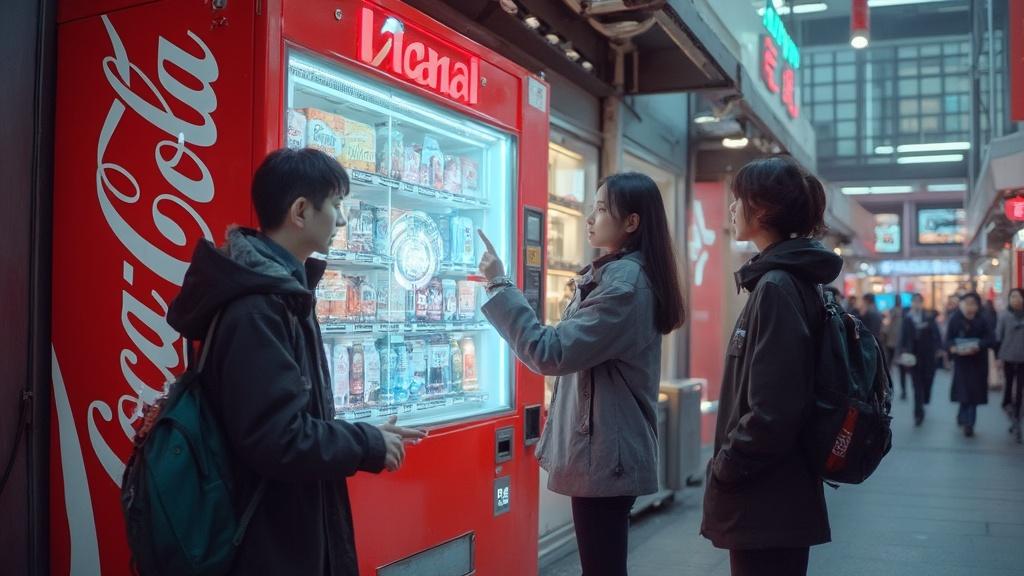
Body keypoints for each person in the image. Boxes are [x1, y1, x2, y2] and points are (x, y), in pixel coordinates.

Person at [166, 148, 426, 576]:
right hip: (265, 538)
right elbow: (277, 438)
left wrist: (362, 434)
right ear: (301, 211)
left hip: (283, 526)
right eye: (337, 205)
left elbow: (287, 418)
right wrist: (364, 444)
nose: (342, 220)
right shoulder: (257, 307)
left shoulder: (280, 292)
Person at [476, 172, 685, 576]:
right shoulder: (617, 275)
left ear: (632, 222)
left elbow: (549, 352)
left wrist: (499, 284)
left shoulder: (624, 285)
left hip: (607, 455)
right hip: (607, 451)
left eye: (602, 209)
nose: (590, 217)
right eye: (592, 207)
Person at [700, 156, 840, 576]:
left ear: (761, 210)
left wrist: (727, 465)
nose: (731, 209)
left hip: (766, 495)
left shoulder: (777, 286)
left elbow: (773, 409)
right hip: (781, 492)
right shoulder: (793, 279)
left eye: (737, 199)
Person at [946, 292, 995, 438]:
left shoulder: (983, 319)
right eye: (967, 303)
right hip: (962, 362)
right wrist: (952, 348)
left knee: (973, 393)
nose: (970, 307)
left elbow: (991, 339)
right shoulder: (955, 319)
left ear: (978, 305)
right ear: (962, 305)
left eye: (973, 304)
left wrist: (979, 345)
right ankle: (962, 414)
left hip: (978, 362)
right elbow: (948, 340)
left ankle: (970, 424)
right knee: (963, 391)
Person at [899, 293, 941, 426]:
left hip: (928, 355)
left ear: (922, 303)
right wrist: (901, 353)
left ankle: (925, 399)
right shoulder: (907, 318)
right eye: (914, 301)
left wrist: (938, 349)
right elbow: (903, 337)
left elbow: (936, 334)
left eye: (919, 301)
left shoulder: (928, 317)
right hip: (913, 356)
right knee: (916, 386)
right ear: (911, 303)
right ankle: (918, 413)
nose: (916, 304)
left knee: (928, 380)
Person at [996, 288, 1024, 442]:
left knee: (1020, 390)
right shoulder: (1004, 316)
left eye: (1018, 296)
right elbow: (998, 336)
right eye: (1012, 296)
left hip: (1022, 359)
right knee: (1008, 390)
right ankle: (1009, 409)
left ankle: (1017, 419)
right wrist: (997, 357)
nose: (1016, 299)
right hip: (1007, 357)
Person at [883, 304, 908, 400]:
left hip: (891, 344)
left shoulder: (892, 314)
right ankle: (903, 391)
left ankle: (888, 389)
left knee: (888, 368)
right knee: (902, 370)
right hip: (900, 346)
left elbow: (885, 330)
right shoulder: (905, 316)